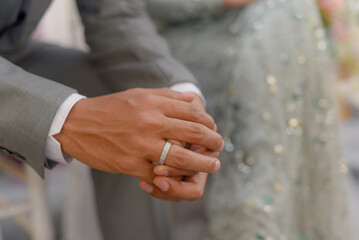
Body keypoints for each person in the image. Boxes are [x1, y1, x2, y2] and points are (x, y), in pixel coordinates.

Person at [0, 0, 224, 239]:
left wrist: (182, 102)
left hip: (12, 50)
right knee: (128, 123)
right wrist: (68, 120)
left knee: (144, 116)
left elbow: (115, 14)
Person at [146, 0, 353, 239]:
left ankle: (258, 213)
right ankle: (254, 216)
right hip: (195, 39)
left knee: (284, 16)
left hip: (271, 38)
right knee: (275, 22)